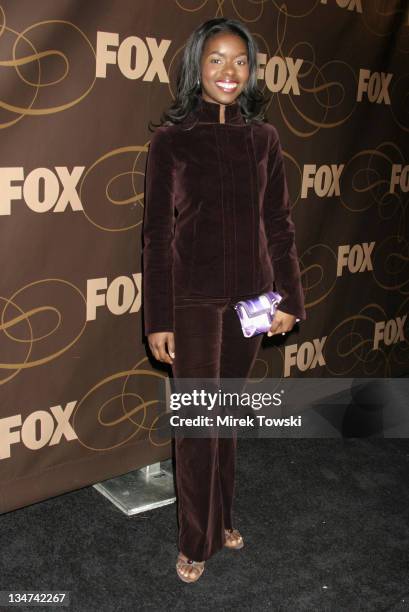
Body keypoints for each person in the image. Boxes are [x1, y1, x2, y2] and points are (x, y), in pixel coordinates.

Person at [142, 17, 306, 583]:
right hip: (193, 301)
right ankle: (195, 539)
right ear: (196, 67)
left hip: (255, 300)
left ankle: (223, 516)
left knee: (226, 415)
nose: (229, 71)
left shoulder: (264, 139)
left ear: (251, 70)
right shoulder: (171, 140)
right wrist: (158, 317)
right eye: (216, 59)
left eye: (239, 60)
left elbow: (279, 224)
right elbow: (157, 234)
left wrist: (288, 298)